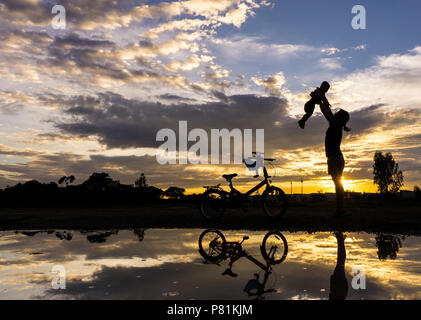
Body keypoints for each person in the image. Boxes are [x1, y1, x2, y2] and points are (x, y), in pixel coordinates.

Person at [319, 101, 351, 216]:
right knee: (338, 184)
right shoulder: (336, 125)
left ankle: (340, 210)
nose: (336, 113)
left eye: (338, 113)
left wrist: (320, 102)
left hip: (335, 158)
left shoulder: (335, 125)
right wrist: (323, 102)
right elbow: (328, 112)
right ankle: (340, 209)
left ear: (340, 117)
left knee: (337, 184)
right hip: (336, 158)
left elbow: (326, 113)